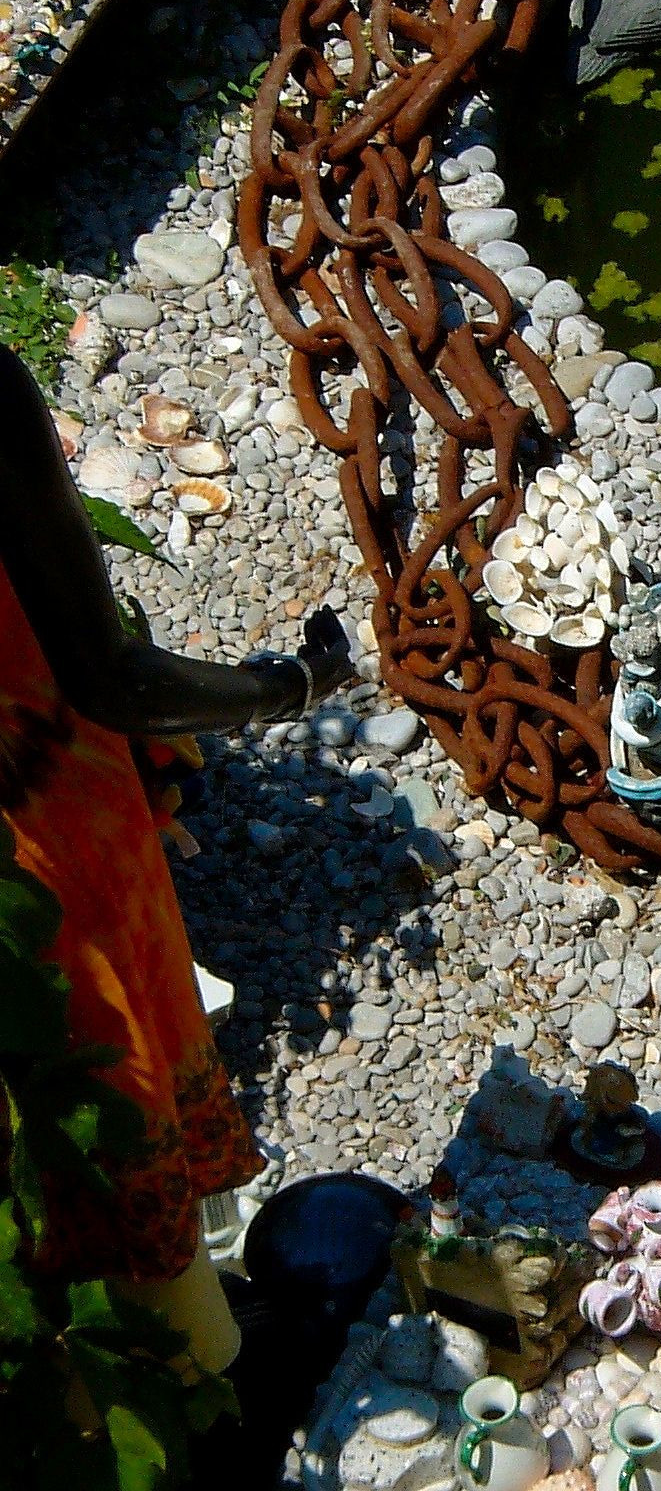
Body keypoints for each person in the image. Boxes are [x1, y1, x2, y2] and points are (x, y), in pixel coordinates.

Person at [0, 344, 352, 1375]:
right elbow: (114, 679)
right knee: (104, 1089)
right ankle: (195, 1376)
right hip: (44, 838)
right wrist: (289, 687)